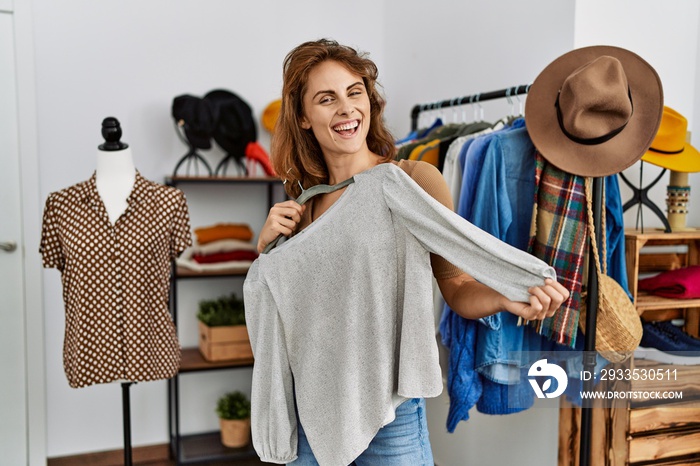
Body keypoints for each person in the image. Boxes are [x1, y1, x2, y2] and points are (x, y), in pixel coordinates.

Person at [249, 39, 569, 465]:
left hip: (390, 413)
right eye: (327, 99)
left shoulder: (412, 180)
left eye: (354, 92)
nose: (346, 108)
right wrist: (266, 251)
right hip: (310, 411)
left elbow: (457, 286)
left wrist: (504, 295)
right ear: (304, 117)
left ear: (369, 101)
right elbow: (288, 318)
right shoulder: (301, 205)